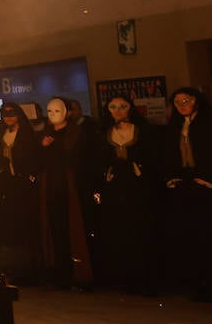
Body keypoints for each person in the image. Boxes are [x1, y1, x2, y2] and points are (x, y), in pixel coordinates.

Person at [91, 92, 158, 293]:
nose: (118, 111)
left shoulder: (144, 131)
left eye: (123, 107)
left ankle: (145, 278)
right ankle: (123, 277)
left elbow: (153, 155)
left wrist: (141, 169)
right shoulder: (103, 132)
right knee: (117, 230)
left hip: (138, 186)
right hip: (114, 186)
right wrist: (105, 173)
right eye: (113, 107)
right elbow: (97, 159)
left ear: (130, 108)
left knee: (140, 229)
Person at [38, 95, 96, 289]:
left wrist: (52, 147)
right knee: (56, 230)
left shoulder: (76, 134)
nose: (53, 115)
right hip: (51, 187)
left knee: (72, 228)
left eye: (57, 110)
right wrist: (44, 147)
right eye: (50, 111)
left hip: (69, 187)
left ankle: (76, 273)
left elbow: (78, 159)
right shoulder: (46, 134)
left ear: (67, 112)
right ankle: (60, 273)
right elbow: (41, 162)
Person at [160, 86, 212, 300]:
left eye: (187, 100)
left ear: (196, 101)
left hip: (205, 183)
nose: (182, 105)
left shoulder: (207, 123)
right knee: (190, 235)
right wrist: (172, 177)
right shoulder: (175, 126)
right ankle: (196, 282)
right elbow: (169, 153)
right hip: (185, 183)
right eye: (178, 102)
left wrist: (207, 178)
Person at [0, 101, 40, 282]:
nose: (9, 117)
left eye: (12, 113)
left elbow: (33, 157)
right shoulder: (1, 133)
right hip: (7, 185)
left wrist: (29, 175)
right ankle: (14, 269)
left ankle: (31, 270)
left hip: (23, 184)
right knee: (11, 228)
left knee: (27, 226)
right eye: (5, 113)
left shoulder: (27, 134)